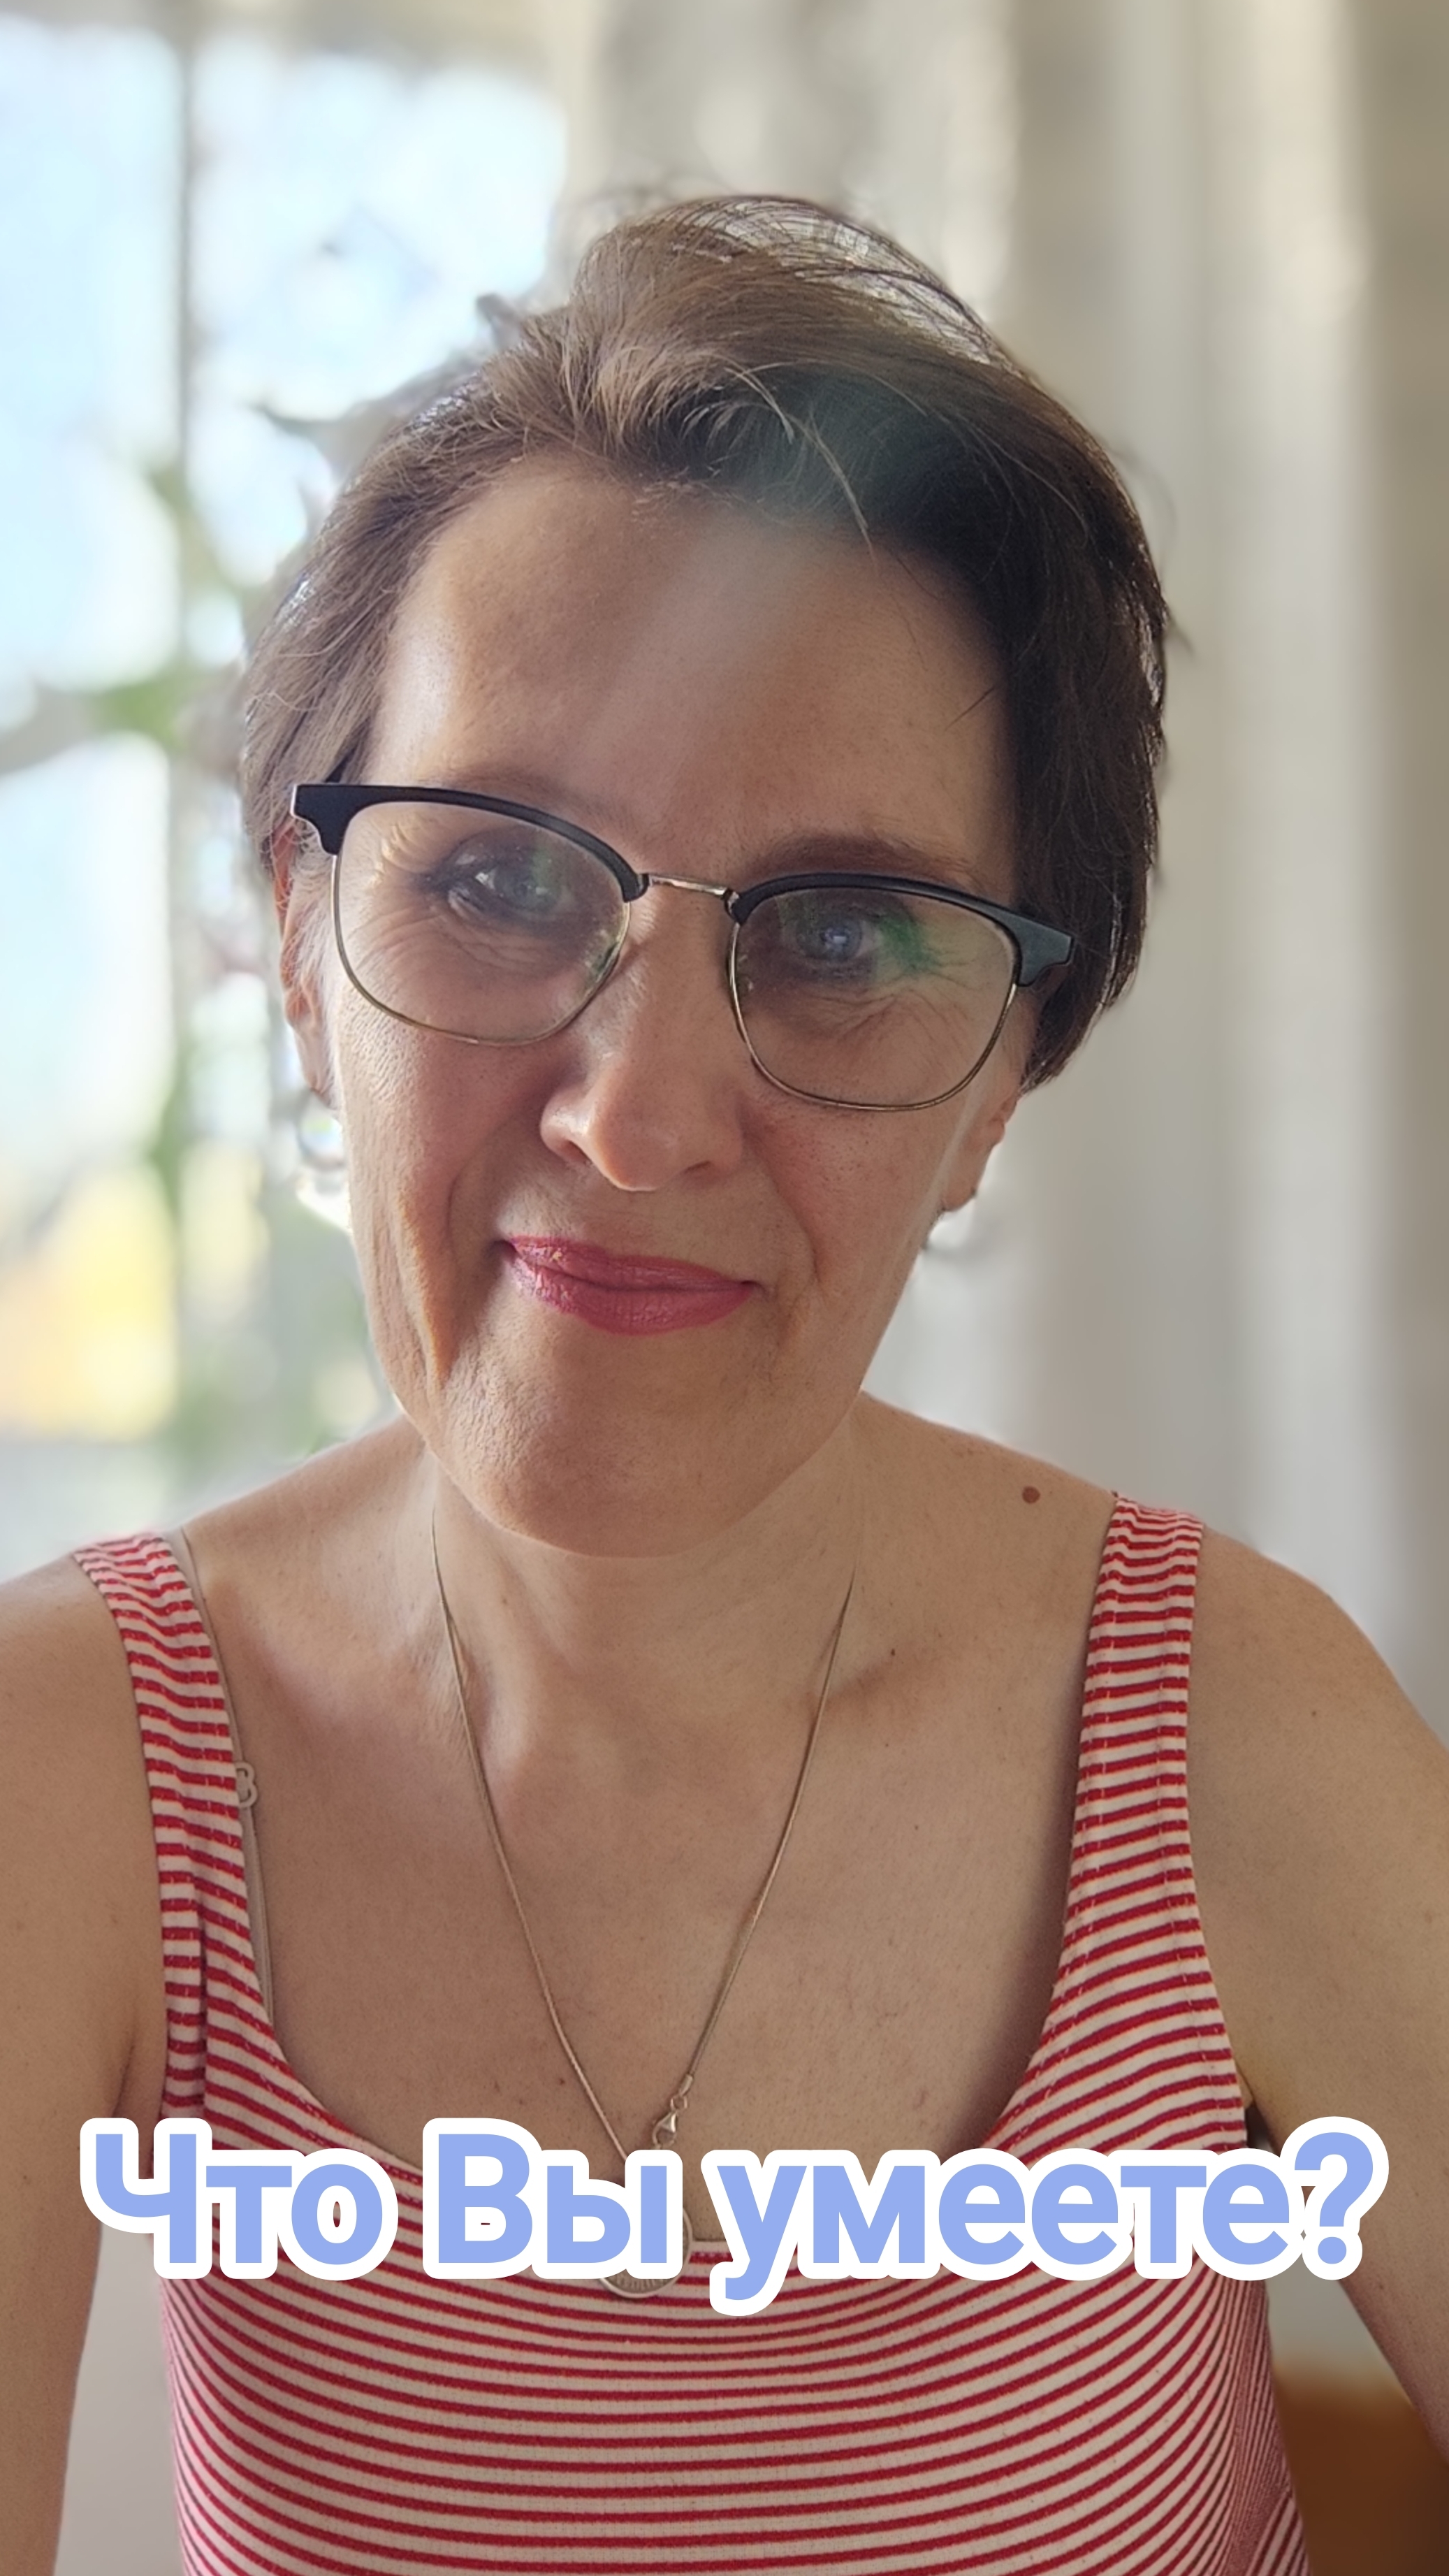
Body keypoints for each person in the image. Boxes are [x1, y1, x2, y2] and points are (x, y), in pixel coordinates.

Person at [3, 195, 1446, 2576]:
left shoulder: (1225, 1732)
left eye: (846, 932)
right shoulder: (70, 1769)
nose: (641, 1116)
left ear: (998, 1084)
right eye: (495, 881)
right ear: (300, 947)